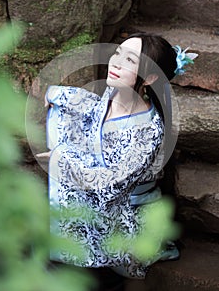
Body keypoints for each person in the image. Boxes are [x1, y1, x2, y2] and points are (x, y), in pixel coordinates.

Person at [37, 33, 196, 289]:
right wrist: (60, 95)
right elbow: (92, 110)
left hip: (125, 212)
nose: (116, 63)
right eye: (117, 53)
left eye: (129, 60)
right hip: (105, 196)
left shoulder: (148, 132)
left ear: (151, 78)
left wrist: (63, 161)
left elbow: (108, 188)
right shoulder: (114, 93)